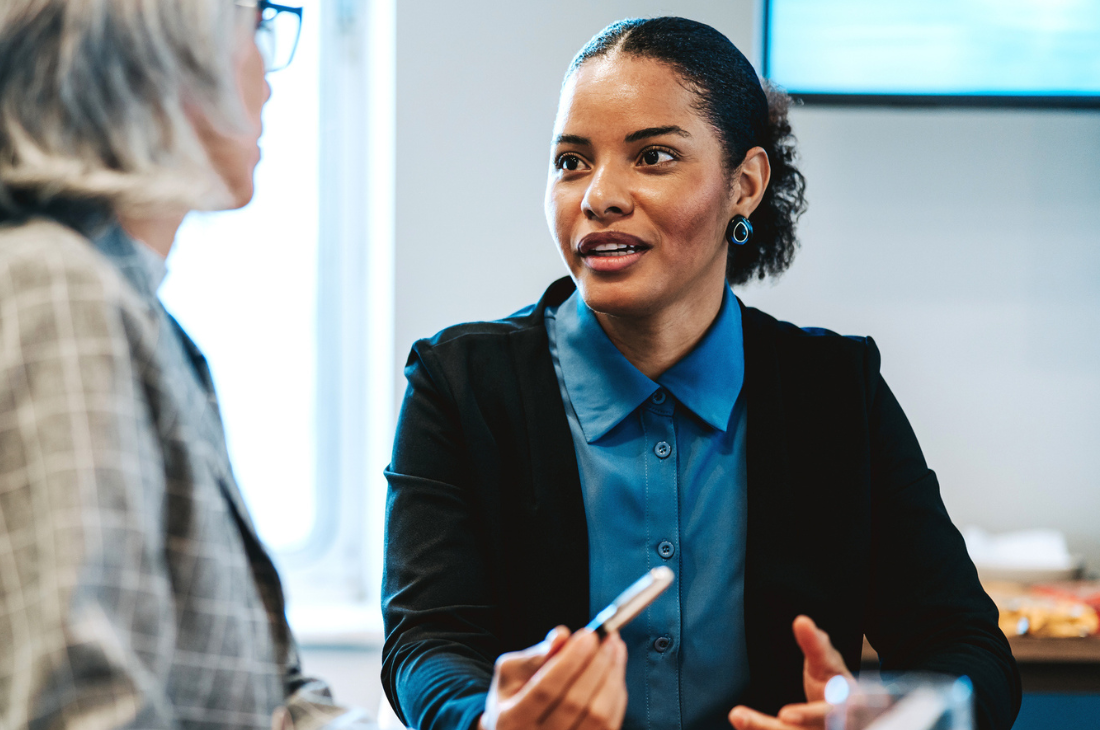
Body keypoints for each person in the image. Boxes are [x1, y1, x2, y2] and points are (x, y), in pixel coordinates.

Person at [381, 17, 1020, 730]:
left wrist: (891, 719)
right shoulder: (458, 386)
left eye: (652, 156)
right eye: (571, 161)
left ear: (744, 184)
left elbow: (965, 648)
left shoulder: (838, 392)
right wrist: (489, 720)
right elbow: (426, 645)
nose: (598, 196)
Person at [0, 1, 361, 729]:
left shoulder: (96, 302)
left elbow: (265, 707)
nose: (267, 70)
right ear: (144, 44)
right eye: (253, 21)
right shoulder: (42, 297)